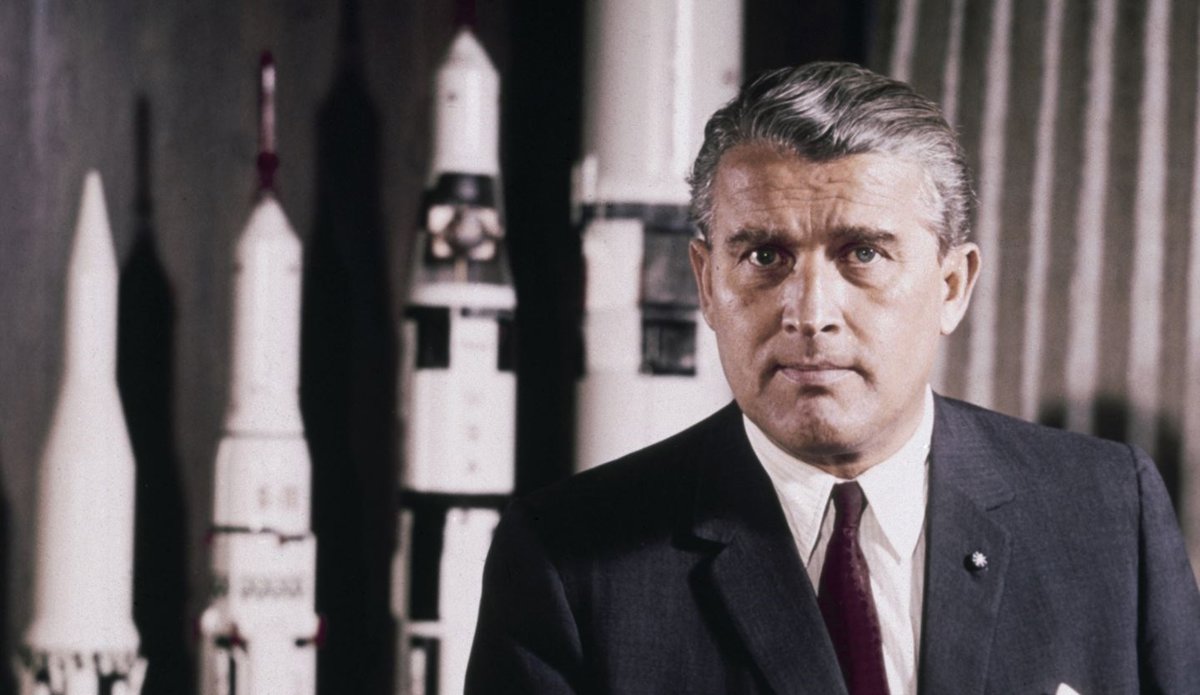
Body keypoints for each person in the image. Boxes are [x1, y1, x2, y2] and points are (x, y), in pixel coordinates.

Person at [465, 62, 1200, 694]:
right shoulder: (569, 561)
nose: (810, 314)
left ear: (952, 286)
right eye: (764, 257)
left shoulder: (1109, 514)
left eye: (863, 254)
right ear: (707, 284)